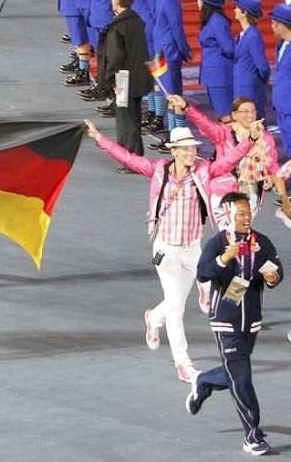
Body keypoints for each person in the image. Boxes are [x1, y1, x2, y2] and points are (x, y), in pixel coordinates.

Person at [83, 120, 262, 382]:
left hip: (192, 249)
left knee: (180, 298)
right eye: (186, 149)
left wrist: (249, 141)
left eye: (193, 148)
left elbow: (227, 162)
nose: (192, 153)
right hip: (166, 249)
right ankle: (183, 363)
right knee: (177, 306)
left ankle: (154, 317)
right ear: (174, 151)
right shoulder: (158, 170)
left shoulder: (202, 172)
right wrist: (99, 137)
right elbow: (129, 158)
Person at [185, 192, 282, 457]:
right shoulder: (218, 243)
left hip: (250, 319)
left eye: (248, 213)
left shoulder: (261, 242)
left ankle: (204, 381)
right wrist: (224, 259)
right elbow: (203, 273)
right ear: (228, 215)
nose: (246, 218)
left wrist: (273, 277)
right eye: (241, 214)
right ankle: (252, 435)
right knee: (241, 376)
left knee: (236, 370)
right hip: (225, 319)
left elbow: (278, 271)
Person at [167, 94, 289, 219]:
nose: (250, 115)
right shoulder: (224, 133)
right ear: (234, 115)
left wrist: (283, 195)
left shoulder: (266, 137)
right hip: (223, 191)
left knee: (242, 231)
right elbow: (204, 123)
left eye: (253, 111)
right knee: (229, 232)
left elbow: (273, 166)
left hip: (252, 193)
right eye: (245, 111)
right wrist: (186, 107)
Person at [95, 0, 151, 162]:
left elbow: (114, 56)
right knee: (134, 117)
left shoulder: (118, 26)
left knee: (125, 121)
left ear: (117, 1)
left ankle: (130, 158)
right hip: (138, 76)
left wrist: (111, 81)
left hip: (122, 80)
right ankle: (136, 155)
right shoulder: (137, 21)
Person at [145, 0, 192, 134]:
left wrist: (184, 51)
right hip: (161, 53)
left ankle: (177, 137)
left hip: (169, 55)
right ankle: (173, 135)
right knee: (168, 94)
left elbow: (177, 29)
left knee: (174, 97)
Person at [194, 0, 235, 122]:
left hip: (220, 75)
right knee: (220, 113)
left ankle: (231, 143)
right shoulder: (211, 20)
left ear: (206, 3)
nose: (197, 2)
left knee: (225, 115)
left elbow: (229, 48)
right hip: (213, 75)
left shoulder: (217, 21)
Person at [232, 0, 270, 121]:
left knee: (252, 124)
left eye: (237, 8)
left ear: (245, 13)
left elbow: (263, 66)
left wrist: (255, 82)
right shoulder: (244, 34)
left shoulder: (253, 36)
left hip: (249, 89)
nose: (235, 10)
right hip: (241, 87)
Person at [268, 0, 291, 156]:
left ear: (282, 25)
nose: (271, 27)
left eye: (273, 23)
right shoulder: (281, 45)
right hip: (282, 106)